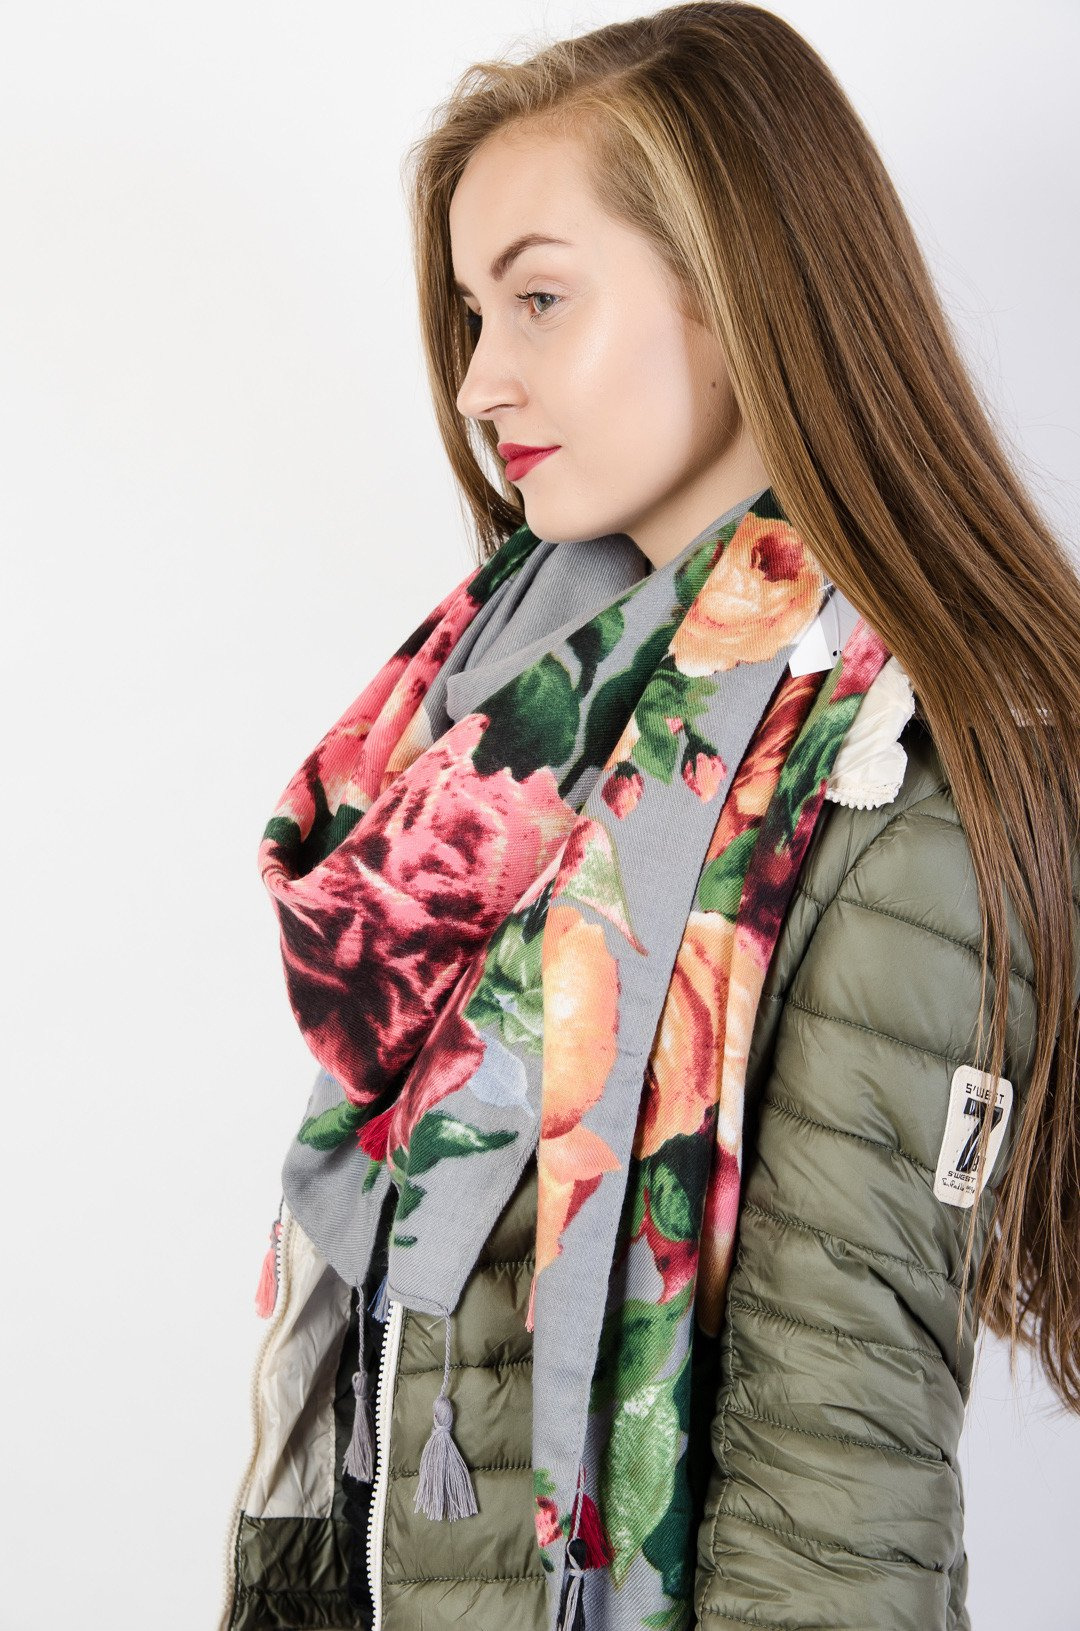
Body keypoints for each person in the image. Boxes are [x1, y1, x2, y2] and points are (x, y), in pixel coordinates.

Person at [217, 6, 1080, 1630]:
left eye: (540, 299)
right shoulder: (515, 738)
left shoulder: (894, 785)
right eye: (475, 312)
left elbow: (837, 1495)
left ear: (739, 294)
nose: (480, 380)